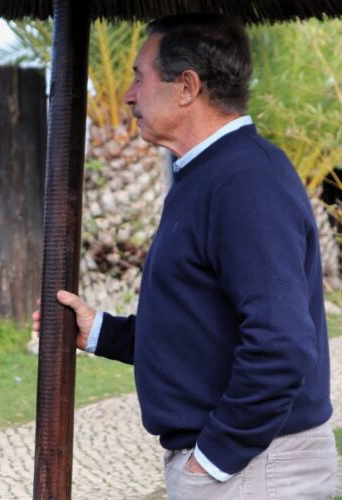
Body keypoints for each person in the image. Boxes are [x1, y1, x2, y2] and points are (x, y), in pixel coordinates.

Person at [34, 13, 337, 499]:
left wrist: (212, 459)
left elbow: (282, 345)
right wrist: (102, 332)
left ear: (187, 87)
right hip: (246, 468)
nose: (129, 95)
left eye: (139, 77)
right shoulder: (211, 174)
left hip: (254, 471)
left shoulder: (245, 181)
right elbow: (202, 328)